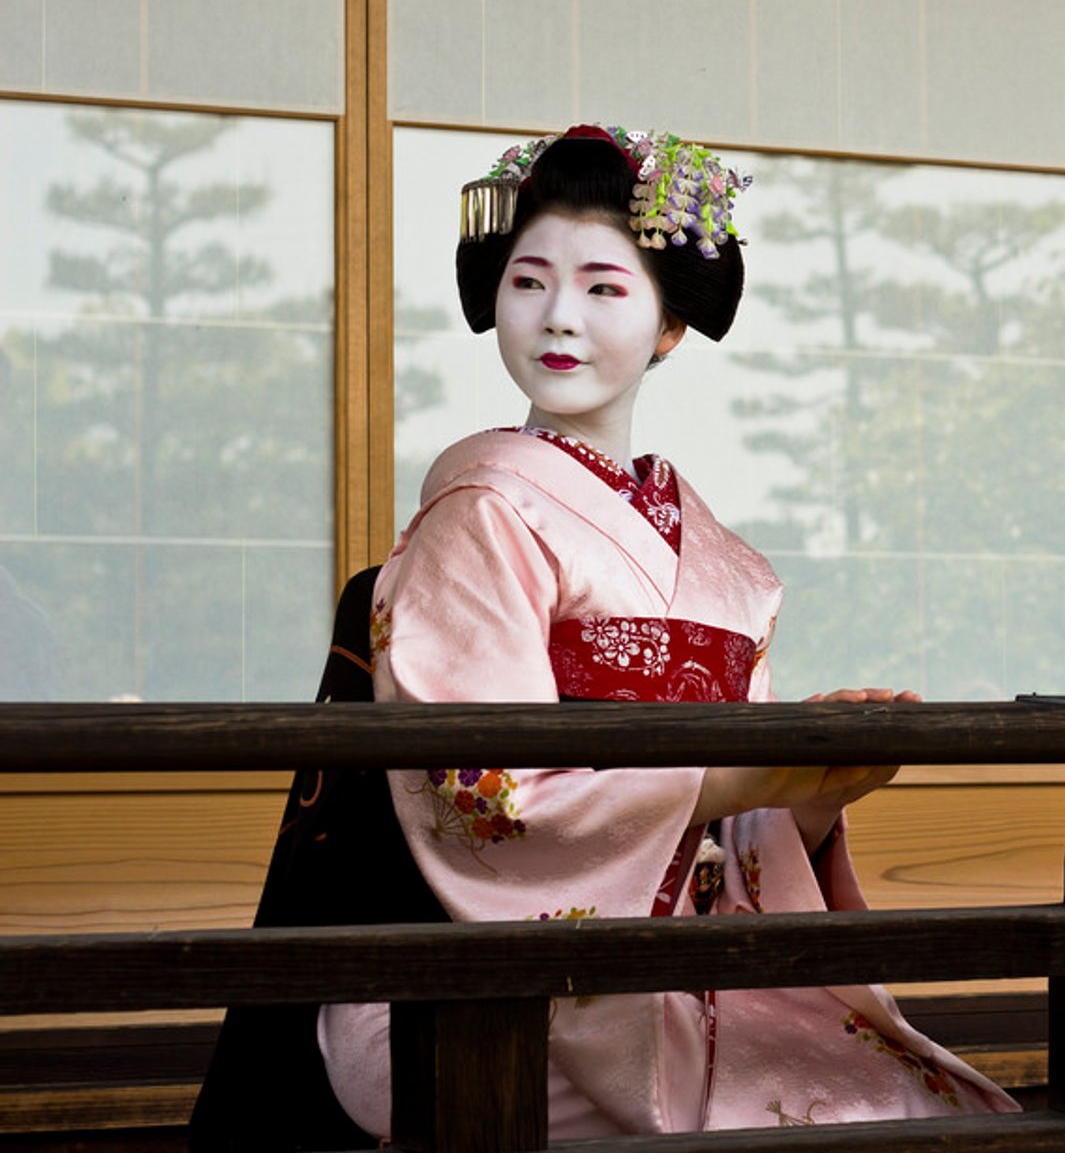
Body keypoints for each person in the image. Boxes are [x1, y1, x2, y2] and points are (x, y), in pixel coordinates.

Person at [311, 124, 1016, 1140]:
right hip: (498, 982)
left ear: (668, 327)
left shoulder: (723, 568)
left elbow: (738, 840)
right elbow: (487, 795)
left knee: (905, 1104)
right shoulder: (482, 512)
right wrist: (749, 778)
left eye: (604, 287)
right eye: (528, 282)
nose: (560, 317)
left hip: (680, 957)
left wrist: (812, 795)